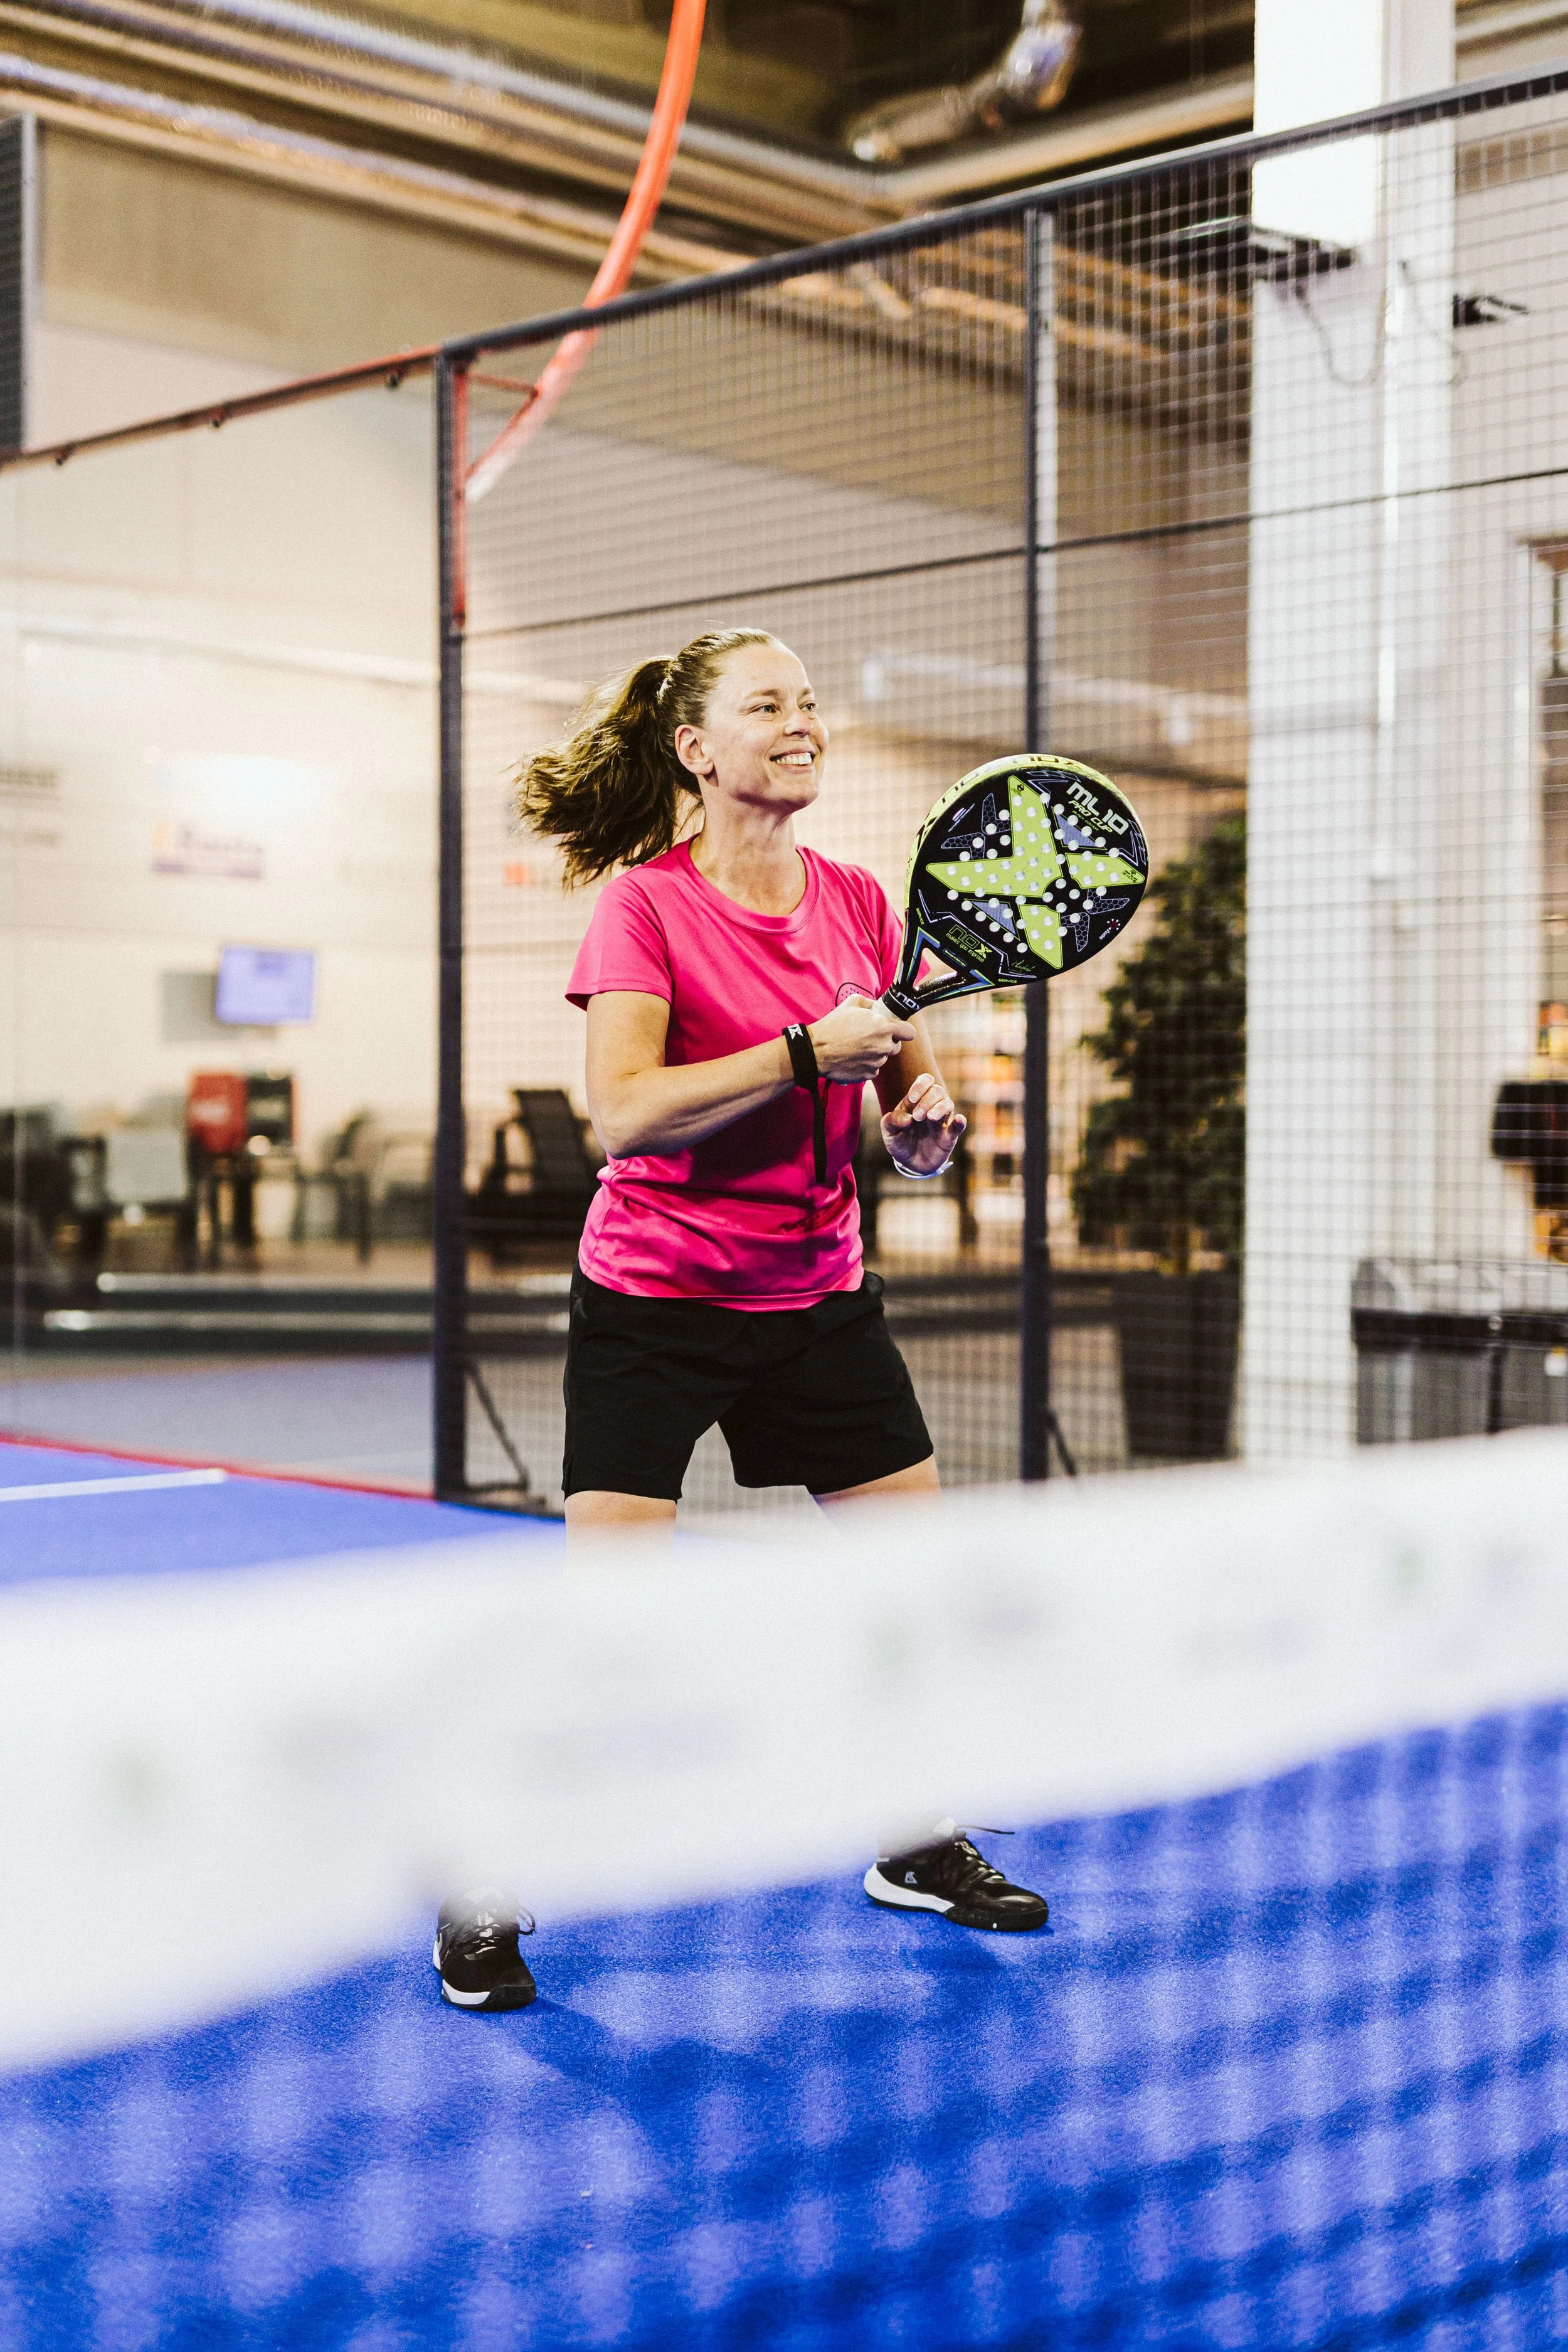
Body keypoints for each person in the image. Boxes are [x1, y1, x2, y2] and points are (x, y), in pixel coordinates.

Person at [433, 628, 1047, 2013]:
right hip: (656, 1298)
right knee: (607, 1627)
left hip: (818, 1295)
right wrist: (798, 1053)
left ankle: (911, 1836)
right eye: (767, 704)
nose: (801, 721)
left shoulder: (860, 903)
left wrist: (921, 1131)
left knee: (911, 1587)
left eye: (810, 702)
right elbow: (623, 1112)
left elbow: (902, 1102)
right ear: (696, 750)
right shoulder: (643, 909)